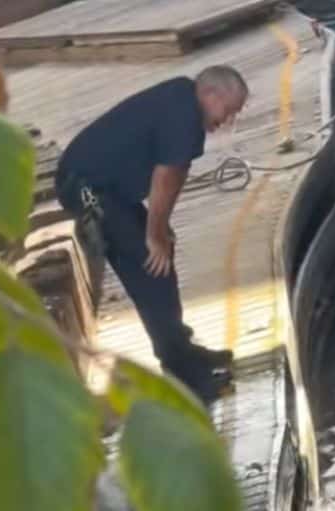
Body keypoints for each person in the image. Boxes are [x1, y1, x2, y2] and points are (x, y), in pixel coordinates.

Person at [54, 65, 249, 401]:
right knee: (150, 270)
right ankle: (184, 379)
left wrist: (160, 228)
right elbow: (166, 177)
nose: (227, 121)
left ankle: (182, 351)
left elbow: (171, 177)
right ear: (211, 94)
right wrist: (154, 233)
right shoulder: (186, 114)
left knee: (159, 261)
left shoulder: (182, 101)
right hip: (87, 188)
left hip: (109, 189)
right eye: (228, 111)